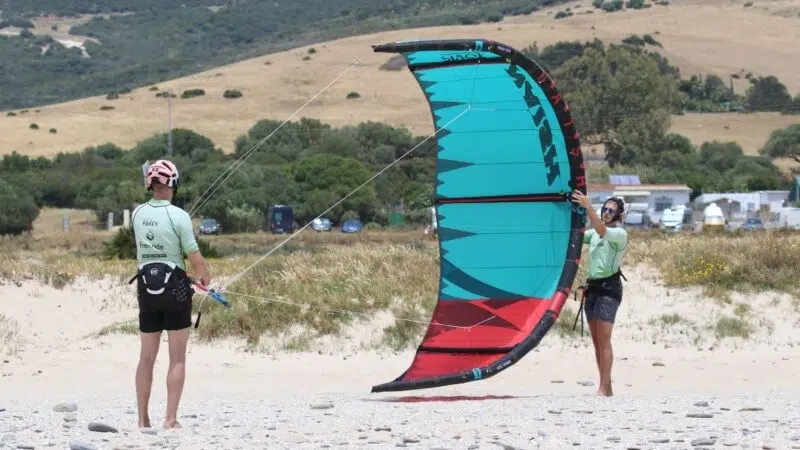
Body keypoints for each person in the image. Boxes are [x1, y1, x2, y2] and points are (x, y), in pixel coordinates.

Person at [129, 159, 211, 429]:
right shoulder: (179, 216)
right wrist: (204, 277)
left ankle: (142, 419)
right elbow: (194, 256)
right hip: (175, 287)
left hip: (146, 288)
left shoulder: (137, 213)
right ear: (173, 183)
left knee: (146, 357)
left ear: (150, 183)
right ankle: (170, 419)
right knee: (177, 357)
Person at [570, 190, 628, 397]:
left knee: (604, 339)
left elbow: (602, 229)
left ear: (619, 215)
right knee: (595, 340)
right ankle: (606, 386)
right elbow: (575, 236)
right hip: (592, 288)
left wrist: (588, 207)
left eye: (612, 211)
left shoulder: (619, 234)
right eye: (605, 208)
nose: (607, 212)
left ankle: (603, 388)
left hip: (609, 289)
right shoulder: (594, 233)